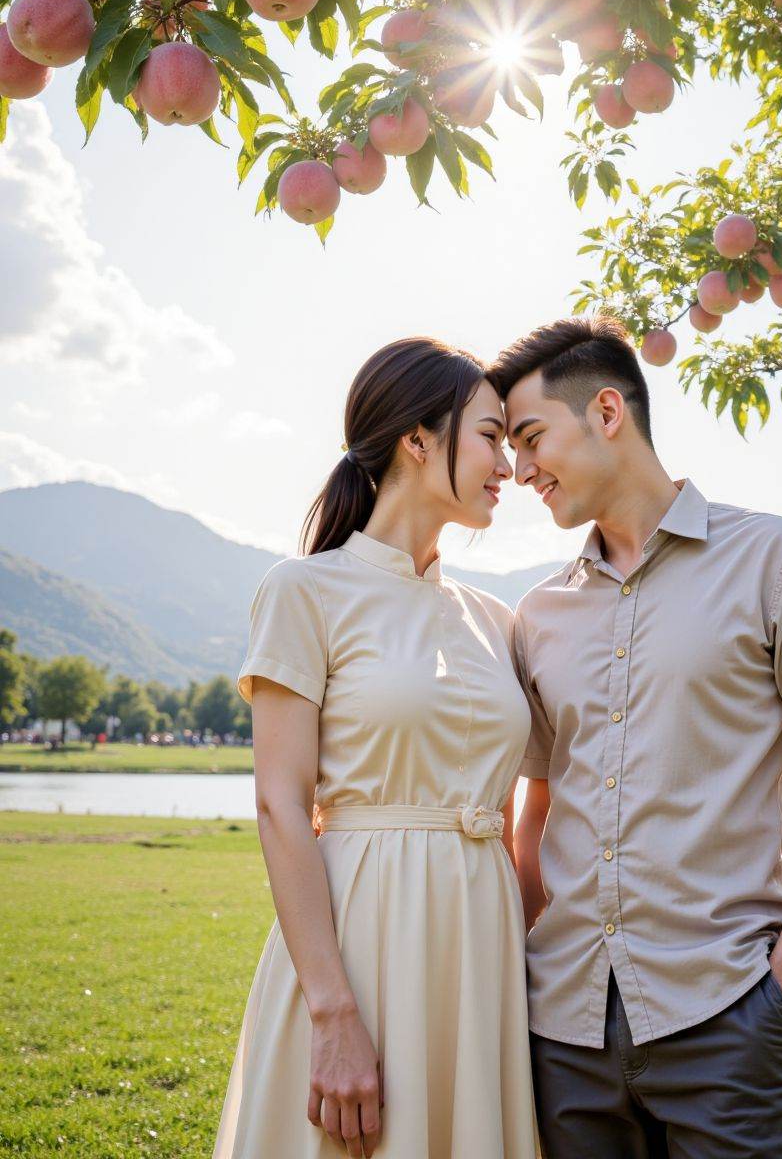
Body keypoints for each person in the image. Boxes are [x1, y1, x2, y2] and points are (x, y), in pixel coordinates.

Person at [491, 315, 782, 1159]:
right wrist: (530, 962)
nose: (518, 469)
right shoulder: (539, 616)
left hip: (729, 1014)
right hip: (563, 1032)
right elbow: (538, 804)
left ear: (607, 412)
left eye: (531, 438)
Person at [214, 337, 541, 1159]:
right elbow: (280, 806)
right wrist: (332, 1012)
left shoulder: (496, 619)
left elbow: (512, 810)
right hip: (357, 935)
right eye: (492, 436)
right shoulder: (305, 591)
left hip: (480, 942)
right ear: (418, 438)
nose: (508, 464)